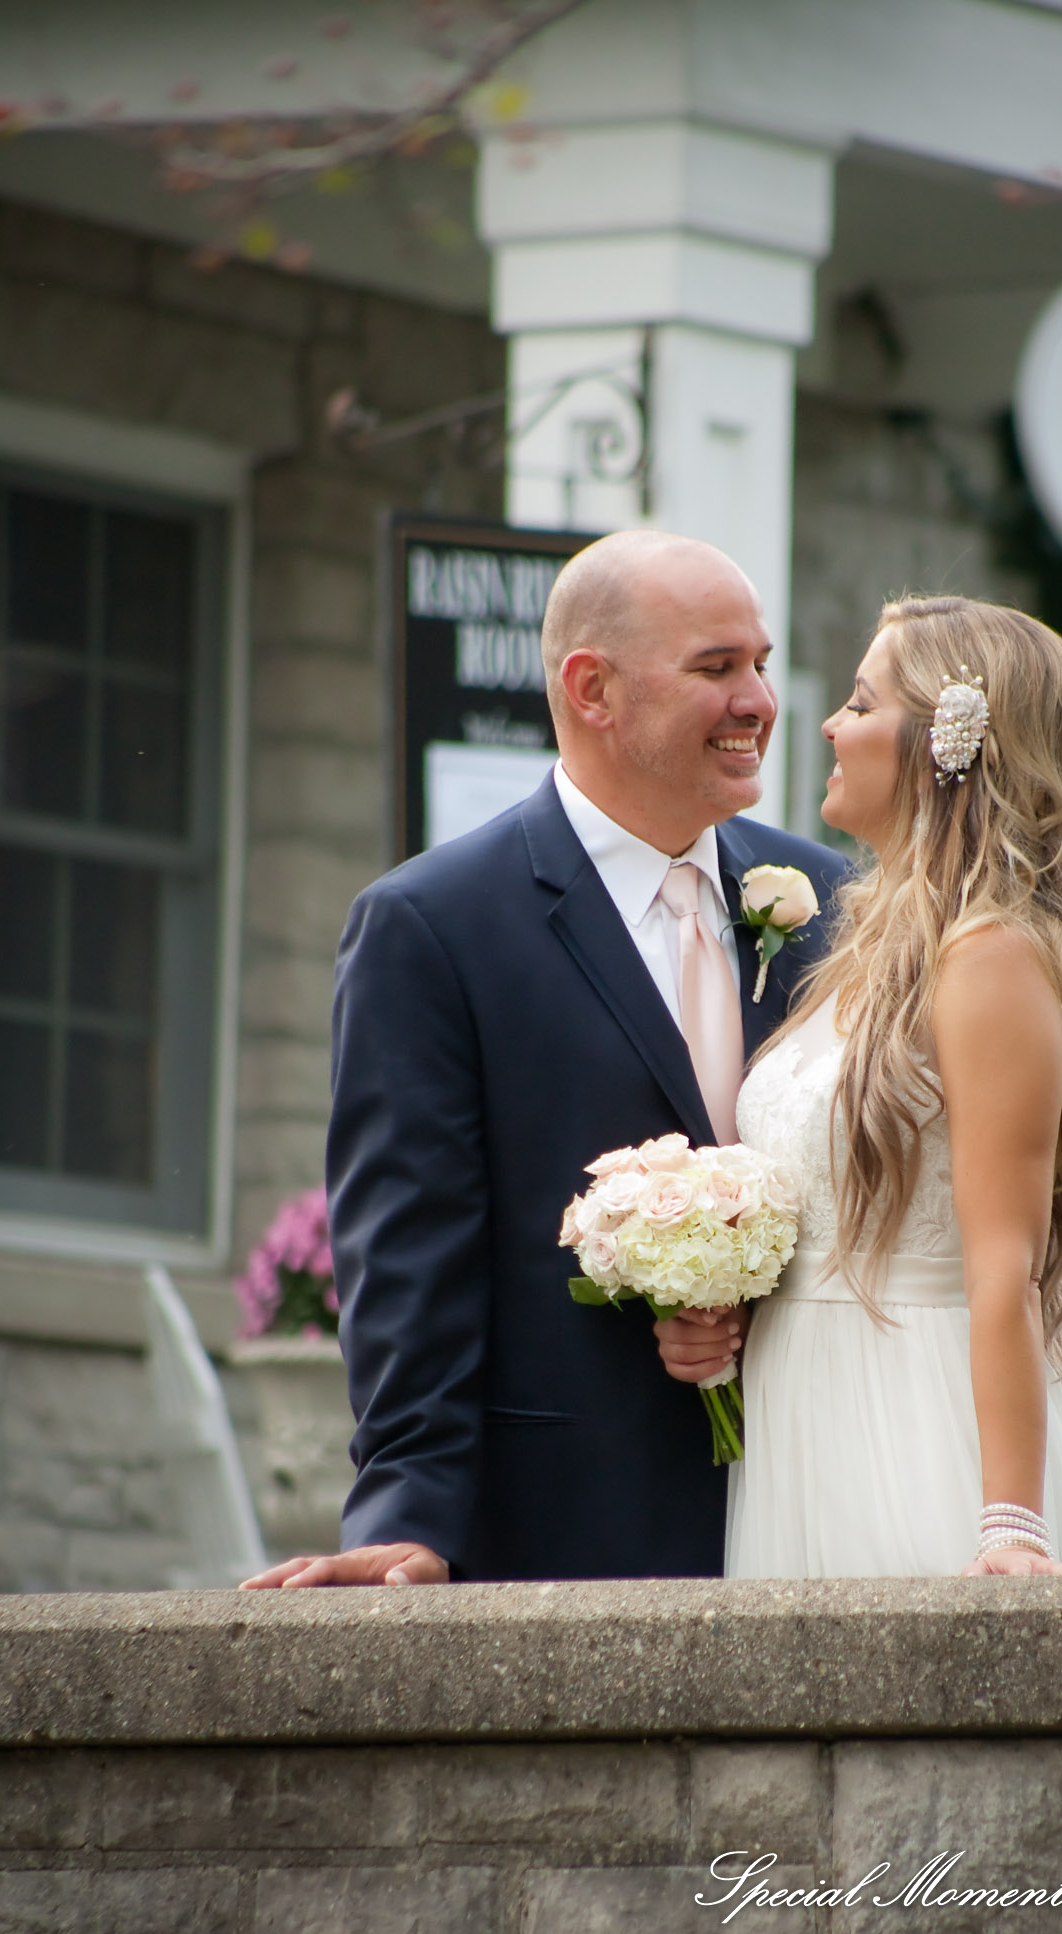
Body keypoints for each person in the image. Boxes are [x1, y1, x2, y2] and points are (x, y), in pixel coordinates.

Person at [241, 531, 847, 1590]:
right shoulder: (432, 927)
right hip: (570, 1528)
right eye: (717, 668)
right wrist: (410, 1514)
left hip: (819, 1500)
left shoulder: (833, 903)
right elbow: (410, 1255)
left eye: (759, 662)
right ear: (592, 688)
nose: (758, 698)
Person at [655, 596, 1062, 1577]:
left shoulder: (992, 954)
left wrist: (1010, 1526)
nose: (831, 725)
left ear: (947, 746)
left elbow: (1001, 1265)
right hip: (799, 1416)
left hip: (910, 1420)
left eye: (860, 702)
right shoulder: (869, 945)